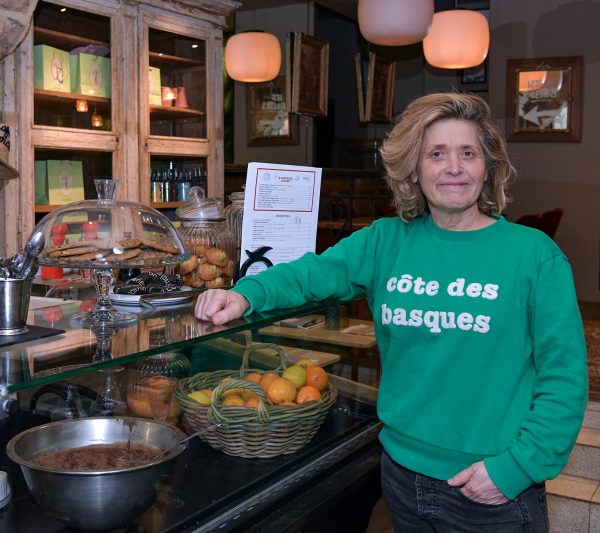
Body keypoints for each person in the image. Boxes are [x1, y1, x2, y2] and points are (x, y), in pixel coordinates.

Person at [195, 92, 587, 532]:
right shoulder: (385, 240)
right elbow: (313, 273)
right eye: (436, 154)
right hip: (401, 475)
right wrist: (248, 294)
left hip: (491, 486)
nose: (453, 167)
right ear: (414, 170)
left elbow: (565, 379)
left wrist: (516, 468)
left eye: (468, 153)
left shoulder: (534, 255)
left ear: (487, 167)